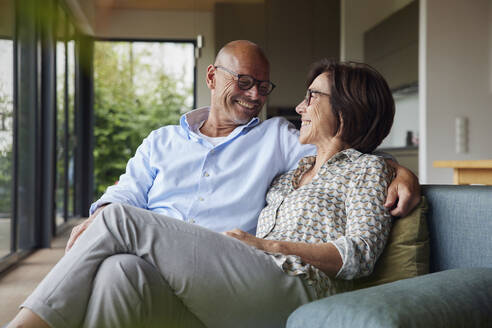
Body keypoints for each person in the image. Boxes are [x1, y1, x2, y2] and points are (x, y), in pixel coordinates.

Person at [8, 41, 417, 327]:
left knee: (119, 222)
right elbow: (126, 191)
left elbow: (356, 161)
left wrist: (399, 171)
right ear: (212, 76)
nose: (259, 96)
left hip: (259, 274)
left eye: (264, 86)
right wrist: (100, 216)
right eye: (244, 82)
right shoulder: (284, 171)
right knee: (120, 271)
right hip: (180, 265)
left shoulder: (279, 140)